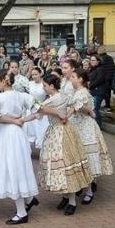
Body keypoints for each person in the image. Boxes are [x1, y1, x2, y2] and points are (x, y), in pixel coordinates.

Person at [0, 69, 40, 224]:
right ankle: (29, 199)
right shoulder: (22, 96)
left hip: (7, 135)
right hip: (17, 133)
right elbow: (38, 110)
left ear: (3, 81)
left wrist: (16, 120)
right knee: (18, 166)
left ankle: (22, 212)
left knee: (11, 168)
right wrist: (22, 119)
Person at [34, 74, 92, 216]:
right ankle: (66, 198)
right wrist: (66, 115)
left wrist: (66, 116)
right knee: (63, 164)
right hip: (59, 131)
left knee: (65, 164)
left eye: (45, 86)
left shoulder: (55, 98)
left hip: (61, 133)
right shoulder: (61, 96)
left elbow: (38, 109)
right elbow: (75, 105)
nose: (44, 88)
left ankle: (71, 201)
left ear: (52, 86)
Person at [67, 69, 114, 204]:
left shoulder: (83, 93)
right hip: (77, 126)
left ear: (81, 79)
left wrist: (83, 111)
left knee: (87, 157)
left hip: (85, 128)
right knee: (80, 157)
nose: (71, 79)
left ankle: (89, 190)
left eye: (74, 77)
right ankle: (83, 185)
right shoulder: (76, 92)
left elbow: (83, 109)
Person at [87, 55, 106, 126]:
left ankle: (98, 125)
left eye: (93, 60)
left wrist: (90, 85)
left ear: (98, 61)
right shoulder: (92, 69)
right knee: (93, 109)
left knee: (95, 109)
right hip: (93, 91)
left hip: (98, 92)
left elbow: (99, 80)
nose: (92, 62)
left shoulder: (100, 69)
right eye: (91, 60)